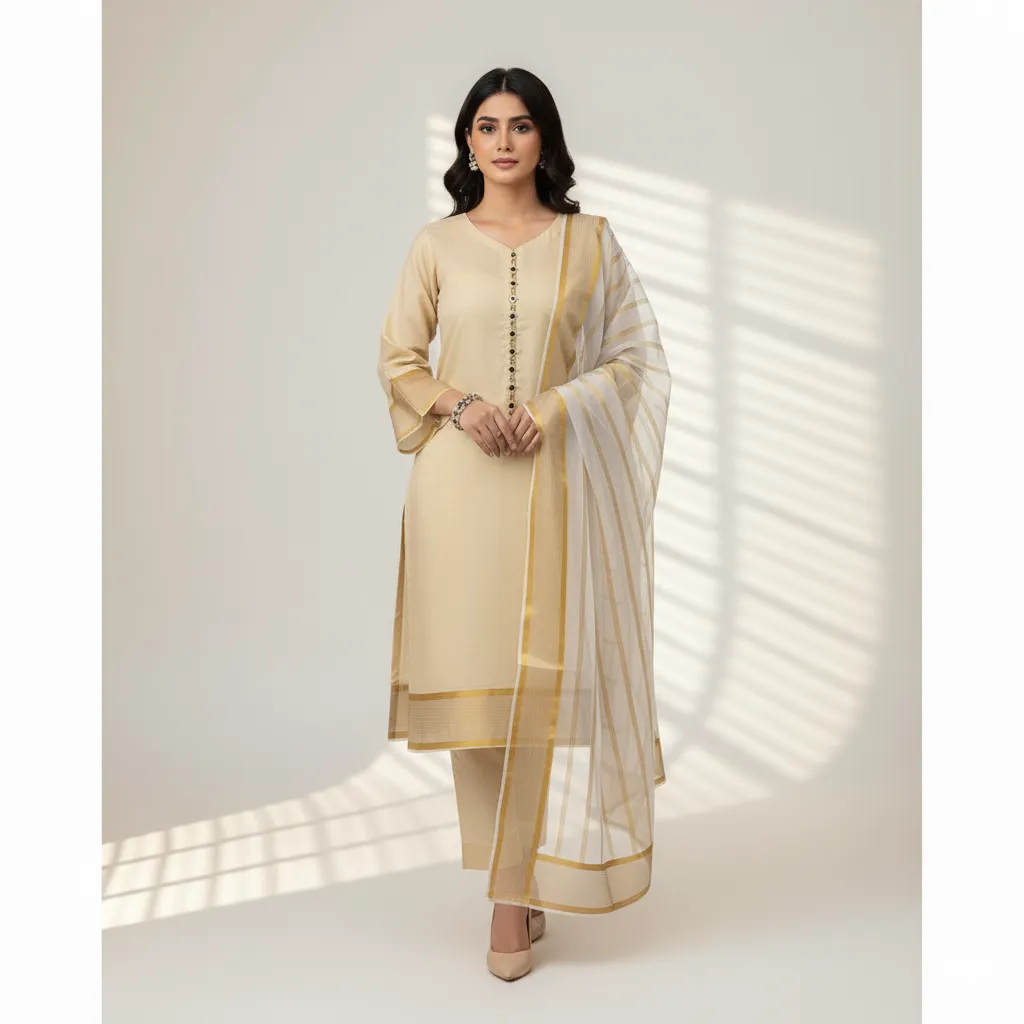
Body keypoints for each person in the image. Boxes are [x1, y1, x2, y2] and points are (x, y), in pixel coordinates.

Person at [377, 66, 671, 981]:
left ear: (546, 139)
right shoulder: (436, 245)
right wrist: (463, 408)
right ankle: (513, 885)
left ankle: (512, 896)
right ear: (468, 143)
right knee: (475, 698)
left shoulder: (591, 242)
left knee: (535, 685)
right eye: (487, 125)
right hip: (457, 492)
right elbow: (398, 358)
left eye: (521, 125)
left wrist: (551, 407)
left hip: (550, 487)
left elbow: (634, 358)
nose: (503, 141)